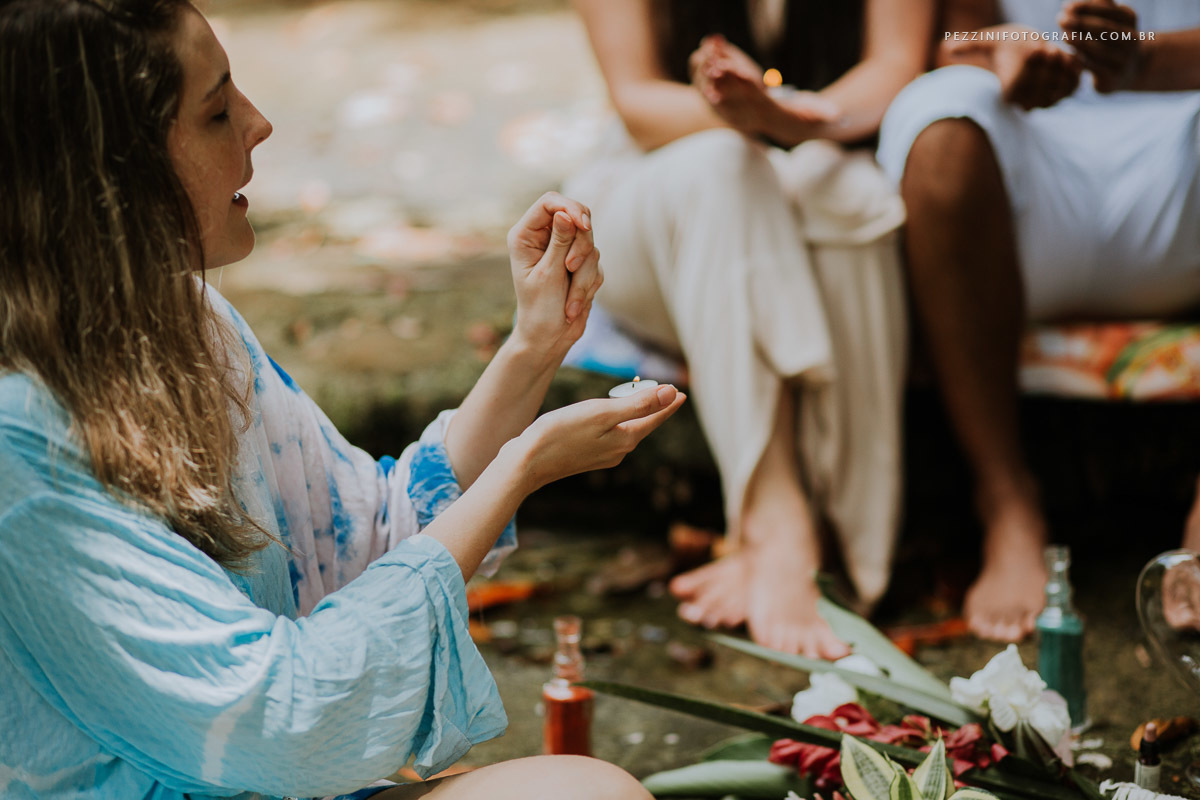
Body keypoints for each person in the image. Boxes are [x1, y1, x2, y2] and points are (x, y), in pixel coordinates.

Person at [0, 1, 687, 798]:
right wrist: (518, 471)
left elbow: (367, 538)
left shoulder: (188, 323)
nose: (258, 125)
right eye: (217, 110)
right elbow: (284, 724)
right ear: (109, 178)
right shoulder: (23, 448)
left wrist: (534, 346)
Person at [566, 0, 934, 657]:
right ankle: (777, 527)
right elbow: (639, 102)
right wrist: (755, 116)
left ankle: (858, 550)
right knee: (726, 166)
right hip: (663, 186)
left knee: (847, 197)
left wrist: (785, 116)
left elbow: (895, 64)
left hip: (820, 155)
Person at [876, 0, 1200, 642]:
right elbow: (946, 35)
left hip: (1181, 153)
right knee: (940, 110)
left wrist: (1144, 59)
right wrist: (999, 46)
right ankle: (1006, 499)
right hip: (1028, 172)